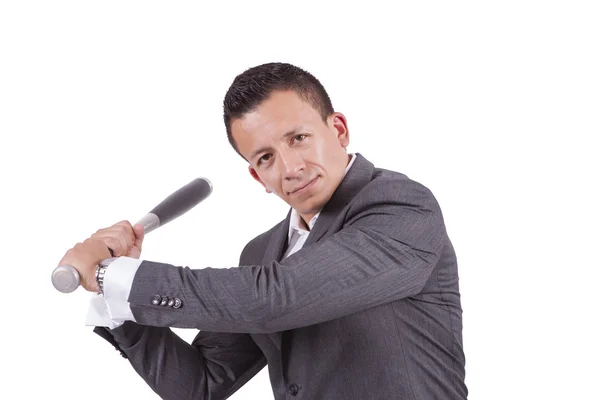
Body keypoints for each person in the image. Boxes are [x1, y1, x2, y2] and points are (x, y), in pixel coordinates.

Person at [59, 62, 468, 399]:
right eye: (267, 157)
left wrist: (109, 275)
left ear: (339, 130)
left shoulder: (400, 207)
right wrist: (117, 297)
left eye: (300, 138)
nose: (291, 168)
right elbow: (199, 383)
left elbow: (275, 299)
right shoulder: (262, 253)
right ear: (258, 177)